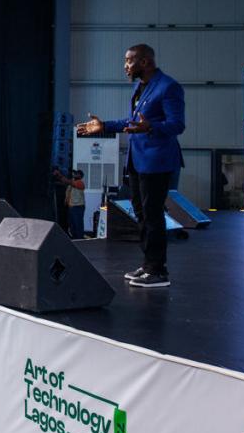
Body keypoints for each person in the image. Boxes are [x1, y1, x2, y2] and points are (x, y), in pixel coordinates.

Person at [77, 43, 185, 289]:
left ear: (144, 62)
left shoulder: (168, 87)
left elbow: (177, 125)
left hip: (157, 161)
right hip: (137, 161)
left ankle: (158, 271)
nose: (125, 66)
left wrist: (151, 127)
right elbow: (132, 121)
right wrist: (104, 126)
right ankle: (148, 265)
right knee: (141, 214)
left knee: (152, 214)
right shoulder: (140, 87)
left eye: (129, 61)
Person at [53, 169, 87, 239]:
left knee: (78, 224)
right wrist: (57, 177)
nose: (74, 174)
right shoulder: (72, 183)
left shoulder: (80, 183)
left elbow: (67, 181)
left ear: (80, 176)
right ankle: (75, 239)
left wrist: (59, 174)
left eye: (76, 173)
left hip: (78, 207)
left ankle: (80, 239)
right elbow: (64, 182)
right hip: (71, 207)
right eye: (75, 173)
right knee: (72, 224)